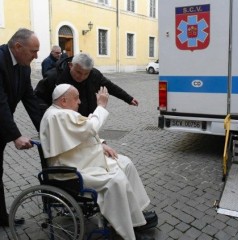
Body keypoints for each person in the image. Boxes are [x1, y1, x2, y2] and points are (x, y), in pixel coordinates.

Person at [39, 84, 157, 240]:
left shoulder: (61, 113)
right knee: (116, 180)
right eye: (76, 98)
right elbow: (90, 128)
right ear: (64, 100)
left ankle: (136, 215)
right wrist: (101, 106)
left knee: (125, 163)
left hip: (81, 159)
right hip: (70, 170)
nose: (79, 102)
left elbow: (80, 135)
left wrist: (101, 144)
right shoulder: (58, 115)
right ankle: (127, 230)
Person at [0, 28, 42, 226]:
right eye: (33, 51)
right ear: (18, 47)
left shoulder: (24, 67)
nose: (36, 56)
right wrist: (16, 136)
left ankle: (1, 218)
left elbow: (30, 100)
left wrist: (46, 131)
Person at [34, 52, 139, 116]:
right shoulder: (54, 77)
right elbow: (38, 98)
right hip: (65, 124)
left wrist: (128, 98)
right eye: (78, 72)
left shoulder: (94, 74)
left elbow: (110, 86)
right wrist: (46, 118)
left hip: (87, 119)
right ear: (70, 65)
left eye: (86, 74)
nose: (81, 77)